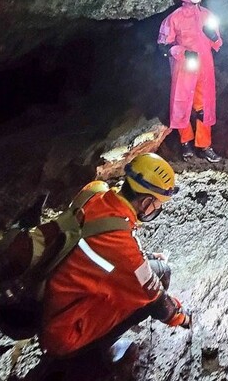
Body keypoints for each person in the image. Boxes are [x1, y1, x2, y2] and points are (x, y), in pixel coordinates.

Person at [40, 153, 191, 358]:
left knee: (155, 269)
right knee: (147, 296)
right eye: (158, 203)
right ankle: (94, 354)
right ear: (146, 202)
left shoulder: (94, 191)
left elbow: (101, 245)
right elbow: (156, 299)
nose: (158, 208)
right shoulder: (123, 249)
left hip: (50, 296)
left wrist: (144, 259)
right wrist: (181, 318)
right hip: (64, 330)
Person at [158, 0, 223, 163]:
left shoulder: (208, 16)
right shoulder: (173, 19)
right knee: (182, 105)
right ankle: (185, 143)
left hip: (205, 69)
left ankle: (204, 146)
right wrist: (183, 52)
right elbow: (163, 46)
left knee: (204, 108)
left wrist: (213, 36)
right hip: (184, 69)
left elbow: (218, 44)